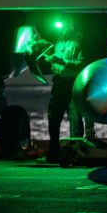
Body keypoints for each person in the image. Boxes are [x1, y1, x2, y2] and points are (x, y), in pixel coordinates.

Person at [43, 15, 85, 163]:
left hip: (73, 83)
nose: (60, 27)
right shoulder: (59, 39)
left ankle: (76, 153)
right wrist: (52, 61)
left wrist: (61, 60)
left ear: (71, 24)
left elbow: (80, 64)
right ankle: (54, 151)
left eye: (63, 24)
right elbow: (57, 61)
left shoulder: (80, 40)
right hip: (59, 83)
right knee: (53, 116)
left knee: (75, 118)